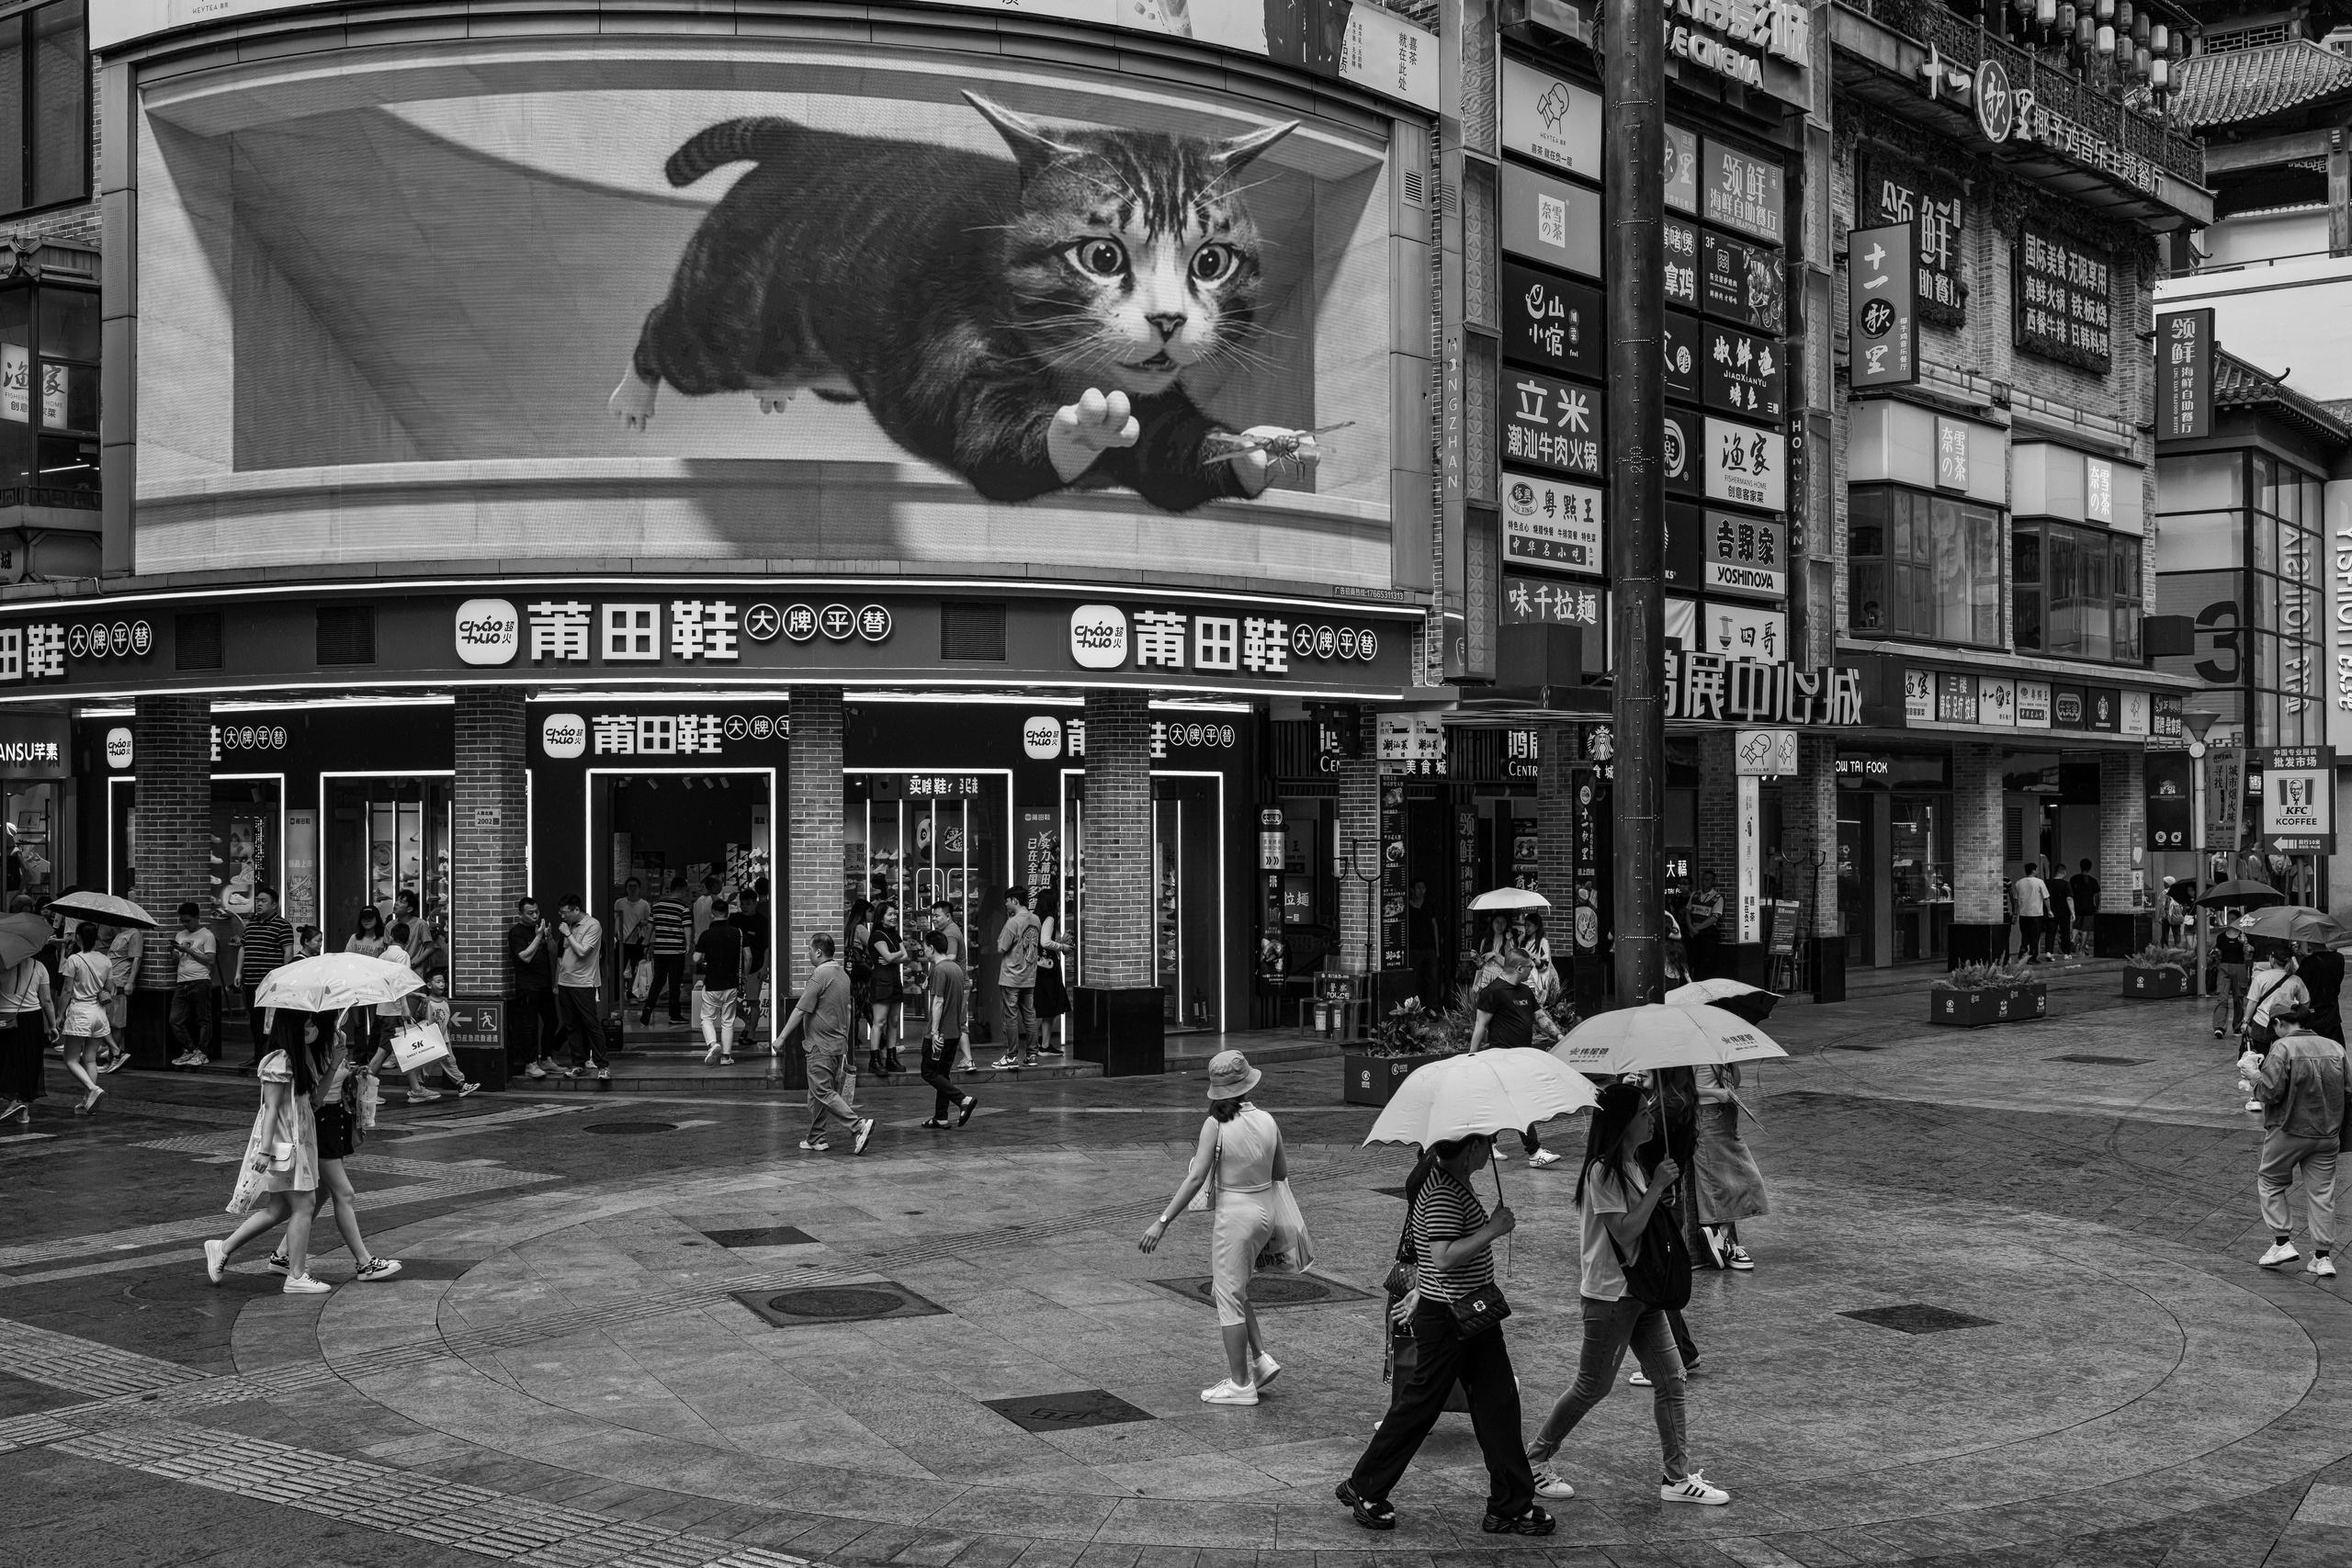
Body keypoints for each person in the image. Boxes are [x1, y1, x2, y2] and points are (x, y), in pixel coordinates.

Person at [1524, 1081, 1731, 1507]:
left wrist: (1657, 1189)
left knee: (1672, 1378)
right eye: (1643, 1113)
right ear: (1622, 1123)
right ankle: (1534, 1461)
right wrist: (1655, 1189)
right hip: (1610, 1297)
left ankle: (1676, 1477)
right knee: (1592, 1386)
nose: (1651, 1118)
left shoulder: (1632, 1163)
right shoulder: (1603, 1170)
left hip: (1640, 1292)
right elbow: (1624, 1231)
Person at [1337, 1132, 1548, 1536]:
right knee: (1422, 1403)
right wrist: (1493, 1229)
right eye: (1488, 1143)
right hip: (1450, 1317)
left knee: (1498, 1401)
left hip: (1469, 1312)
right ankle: (1364, 1488)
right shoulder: (1441, 1192)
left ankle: (1511, 1505)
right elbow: (1443, 1256)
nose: (1492, 1150)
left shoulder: (1452, 1181)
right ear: (1470, 1148)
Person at [1139, 1050, 1287, 1404]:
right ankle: (1260, 1359)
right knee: (1234, 1288)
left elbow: (1195, 1180)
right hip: (1264, 1210)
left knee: (1227, 1297)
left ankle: (1240, 1384)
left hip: (1236, 1216)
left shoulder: (1215, 1125)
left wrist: (1162, 1221)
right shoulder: (1267, 1119)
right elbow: (1280, 1172)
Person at [205, 1010, 326, 1294]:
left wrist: (333, 1063)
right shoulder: (279, 1061)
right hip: (285, 1145)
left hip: (297, 1145)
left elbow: (312, 1102)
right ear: (293, 1027)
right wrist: (264, 1150)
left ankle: (222, 1247)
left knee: (279, 1209)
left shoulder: (297, 1058)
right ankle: (295, 1274)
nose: (312, 1027)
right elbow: (270, 1108)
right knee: (304, 1205)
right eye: (307, 1023)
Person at [2244, 1008, 2346, 1280]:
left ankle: (2281, 1243)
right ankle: (2323, 1258)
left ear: (2278, 1023)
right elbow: (2347, 1090)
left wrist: (2253, 1073)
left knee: (2270, 1181)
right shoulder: (2335, 1047)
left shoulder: (2283, 1047)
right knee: (2322, 1194)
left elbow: (2269, 1092)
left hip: (2289, 1129)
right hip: (2327, 1133)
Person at [775, 932, 873, 1154]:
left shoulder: (819, 976)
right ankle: (816, 1138)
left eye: (809, 950)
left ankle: (858, 1126)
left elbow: (800, 1009)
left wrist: (781, 1039)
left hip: (820, 1045)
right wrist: (846, 1040)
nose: (808, 953)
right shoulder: (843, 975)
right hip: (837, 1044)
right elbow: (848, 1010)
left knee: (822, 1091)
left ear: (818, 952)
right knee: (817, 1093)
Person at [1467, 951, 1562, 1167]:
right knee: (1520, 1103)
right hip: (1501, 1057)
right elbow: (1480, 1025)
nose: (1532, 970)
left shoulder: (1525, 991)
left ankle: (1487, 1143)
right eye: (1530, 967)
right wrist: (1472, 1055)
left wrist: (1559, 1036)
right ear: (1520, 969)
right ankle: (1534, 1152)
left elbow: (1540, 1017)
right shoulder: (1492, 992)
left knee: (1501, 1104)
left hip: (1523, 1057)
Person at [1693, 1062, 1767, 1271]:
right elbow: (1684, 1088)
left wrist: (1732, 1064)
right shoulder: (1695, 1049)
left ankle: (1722, 1235)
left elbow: (1735, 1082)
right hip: (1707, 1114)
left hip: (1726, 1114)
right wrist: (1715, 1093)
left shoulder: (1721, 1050)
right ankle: (1722, 1237)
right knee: (1720, 1179)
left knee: (1744, 1178)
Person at [918, 929, 978, 1130]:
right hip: (954, 1032)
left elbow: (938, 1002)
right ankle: (941, 1116)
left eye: (924, 946)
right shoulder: (957, 969)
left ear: (932, 948)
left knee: (928, 1072)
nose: (923, 949)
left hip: (940, 1034)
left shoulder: (939, 970)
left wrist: (934, 1033)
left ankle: (962, 1100)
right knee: (942, 1074)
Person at [2241, 944, 2308, 1113]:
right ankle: (2284, 1094)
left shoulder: (2261, 977)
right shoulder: (2295, 980)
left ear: (2271, 959)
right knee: (2284, 1060)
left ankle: (2257, 1098)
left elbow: (2252, 1002)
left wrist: (2245, 1021)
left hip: (2262, 1024)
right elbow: (2305, 1003)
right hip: (2285, 1025)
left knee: (2259, 1059)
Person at [58, 921, 113, 1116]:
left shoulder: (74, 960)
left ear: (78, 938)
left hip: (80, 1013)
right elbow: (109, 988)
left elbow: (67, 990)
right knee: (90, 1058)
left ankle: (92, 1089)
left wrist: (59, 1014)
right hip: (99, 1013)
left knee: (71, 1059)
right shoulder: (105, 960)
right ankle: (86, 1102)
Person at [550, 895, 608, 1079]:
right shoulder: (568, 926)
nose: (562, 916)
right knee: (571, 1025)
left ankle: (603, 1066)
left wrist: (567, 933)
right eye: (560, 913)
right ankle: (578, 1064)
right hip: (565, 982)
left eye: (565, 912)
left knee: (590, 1023)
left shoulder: (593, 925)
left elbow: (582, 951)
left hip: (583, 982)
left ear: (576, 910)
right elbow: (560, 953)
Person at [0, 923, 53, 1125]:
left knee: (7, 1061)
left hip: (5, 1018)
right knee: (29, 1062)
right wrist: (53, 1025)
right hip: (32, 1018)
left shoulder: (2, 965)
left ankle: (14, 1100)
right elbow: (46, 999)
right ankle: (23, 1113)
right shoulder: (39, 967)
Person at [236, 886, 295, 1067]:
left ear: (274, 905)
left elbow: (288, 951)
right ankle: (258, 1054)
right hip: (250, 981)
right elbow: (243, 948)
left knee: (270, 1021)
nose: (259, 904)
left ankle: (272, 1056)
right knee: (254, 1021)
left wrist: (283, 976)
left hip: (270, 984)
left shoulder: (282, 925)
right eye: (258, 900)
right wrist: (238, 972)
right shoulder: (252, 924)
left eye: (263, 901)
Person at [507, 896, 563, 1080]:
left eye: (537, 911)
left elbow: (555, 952)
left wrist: (549, 937)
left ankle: (546, 1058)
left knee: (552, 1021)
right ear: (520, 914)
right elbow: (525, 957)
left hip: (545, 983)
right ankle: (530, 1063)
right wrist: (538, 936)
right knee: (529, 1026)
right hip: (527, 986)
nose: (535, 916)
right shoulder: (517, 932)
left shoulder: (540, 929)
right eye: (530, 913)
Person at [992, 886, 1043, 1071]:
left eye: (1007, 901)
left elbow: (1001, 948)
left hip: (1011, 977)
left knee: (1010, 1018)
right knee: (1030, 1016)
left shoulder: (1012, 923)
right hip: (1029, 976)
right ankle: (1031, 1055)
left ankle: (1011, 1056)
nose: (1006, 904)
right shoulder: (1036, 919)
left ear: (1014, 901)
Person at [693, 894, 745, 1066]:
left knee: (707, 1018)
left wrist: (704, 956)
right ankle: (726, 1057)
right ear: (727, 913)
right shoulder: (738, 932)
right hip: (731, 983)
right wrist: (743, 974)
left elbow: (695, 958)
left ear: (712, 913)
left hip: (712, 983)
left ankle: (713, 1045)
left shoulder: (706, 935)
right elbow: (749, 956)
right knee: (728, 1021)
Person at [169, 899, 219, 1068]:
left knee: (203, 1019)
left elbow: (210, 960)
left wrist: (188, 950)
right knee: (174, 1019)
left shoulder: (207, 935)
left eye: (188, 921)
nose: (185, 924)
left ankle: (202, 1052)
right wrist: (173, 951)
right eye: (182, 921)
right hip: (181, 981)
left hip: (200, 980)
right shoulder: (180, 935)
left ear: (197, 917)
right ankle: (190, 1050)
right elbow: (176, 960)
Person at [641, 877, 693, 1027]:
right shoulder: (683, 907)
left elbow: (649, 928)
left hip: (660, 950)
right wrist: (688, 945)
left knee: (658, 980)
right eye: (686, 891)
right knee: (675, 983)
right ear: (682, 890)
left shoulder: (657, 906)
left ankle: (648, 1007)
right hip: (676, 950)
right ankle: (674, 1015)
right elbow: (687, 929)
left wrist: (646, 945)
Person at [866, 901, 908, 1077]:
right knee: (880, 1021)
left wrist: (894, 957)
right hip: (881, 978)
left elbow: (905, 956)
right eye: (890, 914)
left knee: (894, 1021)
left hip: (894, 977)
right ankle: (875, 1060)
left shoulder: (894, 934)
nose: (894, 917)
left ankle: (891, 1058)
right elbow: (893, 955)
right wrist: (895, 956)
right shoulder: (876, 935)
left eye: (895, 913)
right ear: (881, 917)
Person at [101, 920, 141, 1074]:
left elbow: (136, 959)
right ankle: (112, 1057)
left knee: (116, 1022)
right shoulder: (120, 934)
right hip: (112, 982)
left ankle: (115, 1057)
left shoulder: (134, 934)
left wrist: (130, 982)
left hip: (121, 982)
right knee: (110, 1021)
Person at [1035, 890, 1070, 1055]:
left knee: (1042, 1007)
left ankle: (1040, 1044)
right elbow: (1045, 942)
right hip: (1049, 968)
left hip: (1039, 967)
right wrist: (1062, 946)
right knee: (1050, 1007)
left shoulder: (1036, 918)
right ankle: (1044, 1045)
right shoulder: (1049, 919)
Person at [1405, 880, 1445, 1009]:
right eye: (1418, 888)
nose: (1421, 890)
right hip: (1413, 948)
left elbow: (1434, 926)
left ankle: (1431, 1007)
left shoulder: (1429, 905)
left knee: (1431, 980)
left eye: (1423, 888)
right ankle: (1414, 1009)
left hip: (1429, 948)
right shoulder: (1407, 907)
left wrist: (1437, 948)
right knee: (1414, 980)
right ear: (1412, 890)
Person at [612, 877, 651, 1002]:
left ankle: (633, 995)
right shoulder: (619, 902)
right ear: (626, 888)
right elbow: (614, 918)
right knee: (618, 969)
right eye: (630, 886)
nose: (633, 888)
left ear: (639, 888)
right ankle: (616, 995)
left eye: (635, 886)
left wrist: (641, 925)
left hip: (638, 942)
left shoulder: (644, 904)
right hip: (622, 941)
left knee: (636, 971)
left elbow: (649, 921)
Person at [2299, 940, 2346, 1047]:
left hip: (2314, 1014)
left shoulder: (2308, 962)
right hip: (2332, 1012)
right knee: (2335, 1049)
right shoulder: (2339, 958)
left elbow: (2300, 984)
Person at [2214, 912, 2253, 1041]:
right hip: (2224, 967)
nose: (2231, 921)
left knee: (2238, 998)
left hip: (2239, 966)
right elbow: (2219, 952)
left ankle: (2238, 1026)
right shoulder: (2221, 937)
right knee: (2222, 997)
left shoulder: (2244, 936)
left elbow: (2248, 955)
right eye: (2229, 918)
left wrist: (2244, 944)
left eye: (2233, 919)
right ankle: (2219, 1027)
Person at [1684, 872, 1724, 979]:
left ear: (1713, 881)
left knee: (1705, 965)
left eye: (1707, 880)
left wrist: (1696, 928)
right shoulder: (1694, 895)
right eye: (1703, 879)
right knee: (1691, 961)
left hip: (1707, 935)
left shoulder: (1717, 898)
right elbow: (1688, 913)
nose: (1704, 882)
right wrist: (1690, 927)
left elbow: (1714, 918)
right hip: (1693, 934)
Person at [2009, 863, 2050, 962]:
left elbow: (2015, 899)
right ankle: (2032, 956)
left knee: (2025, 934)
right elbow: (2046, 898)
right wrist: (2049, 910)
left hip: (2023, 914)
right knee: (2035, 936)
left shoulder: (2019, 883)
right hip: (2036, 913)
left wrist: (2015, 913)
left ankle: (2023, 949)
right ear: (2034, 870)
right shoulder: (2039, 882)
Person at [2070, 858, 2100, 952]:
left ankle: (2073, 939)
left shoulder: (2074, 879)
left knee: (2076, 926)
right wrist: (2096, 907)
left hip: (2077, 906)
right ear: (2090, 868)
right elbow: (2096, 896)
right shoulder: (2093, 881)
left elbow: (2070, 894)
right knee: (2085, 929)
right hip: (2089, 907)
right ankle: (2082, 949)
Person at [2044, 871, 2075, 959]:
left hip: (2051, 912)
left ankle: (2049, 952)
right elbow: (2069, 898)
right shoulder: (2066, 884)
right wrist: (2072, 912)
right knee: (2065, 933)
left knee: (2050, 933)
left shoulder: (2047, 883)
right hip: (2064, 913)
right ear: (2064, 872)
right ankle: (2067, 954)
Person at [692, 874, 722, 944]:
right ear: (715, 886)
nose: (721, 887)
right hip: (712, 941)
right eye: (721, 884)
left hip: (699, 940)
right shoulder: (715, 900)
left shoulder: (698, 901)